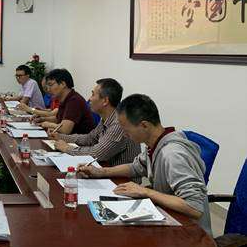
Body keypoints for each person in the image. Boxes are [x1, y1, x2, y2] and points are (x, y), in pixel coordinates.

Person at [78, 94, 212, 235]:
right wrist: (102, 172)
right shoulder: (155, 144)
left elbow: (194, 207)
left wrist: (145, 192)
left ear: (144, 125)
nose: (124, 135)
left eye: (126, 129)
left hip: (189, 235)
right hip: (169, 219)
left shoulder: (172, 154)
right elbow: (135, 167)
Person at [52, 78, 141, 167]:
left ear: (105, 101)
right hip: (105, 169)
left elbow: (97, 153)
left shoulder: (118, 123)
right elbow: (90, 138)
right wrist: (60, 137)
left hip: (119, 175)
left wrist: (67, 148)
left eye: (93, 94)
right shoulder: (107, 118)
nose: (89, 99)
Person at [40, 69, 95, 134]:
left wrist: (48, 124)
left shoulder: (75, 100)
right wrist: (42, 119)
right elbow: (58, 119)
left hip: (80, 140)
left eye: (50, 85)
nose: (48, 89)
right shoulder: (64, 99)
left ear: (63, 84)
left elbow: (65, 130)